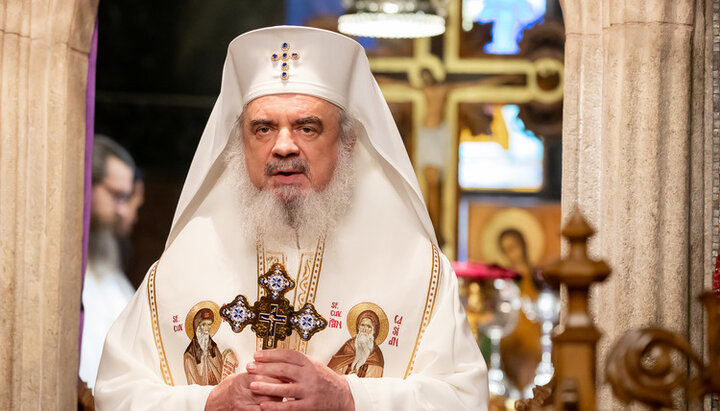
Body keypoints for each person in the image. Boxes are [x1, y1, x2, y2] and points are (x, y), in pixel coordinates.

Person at [95, 26, 488, 410]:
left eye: (307, 127)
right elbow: (116, 393)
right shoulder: (183, 264)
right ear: (240, 143)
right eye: (263, 129)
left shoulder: (414, 268)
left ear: (347, 143)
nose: (283, 146)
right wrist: (209, 403)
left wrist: (350, 398)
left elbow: (465, 398)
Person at [79, 135, 138, 389]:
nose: (123, 210)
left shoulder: (111, 272)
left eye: (126, 199)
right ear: (86, 184)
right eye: (117, 196)